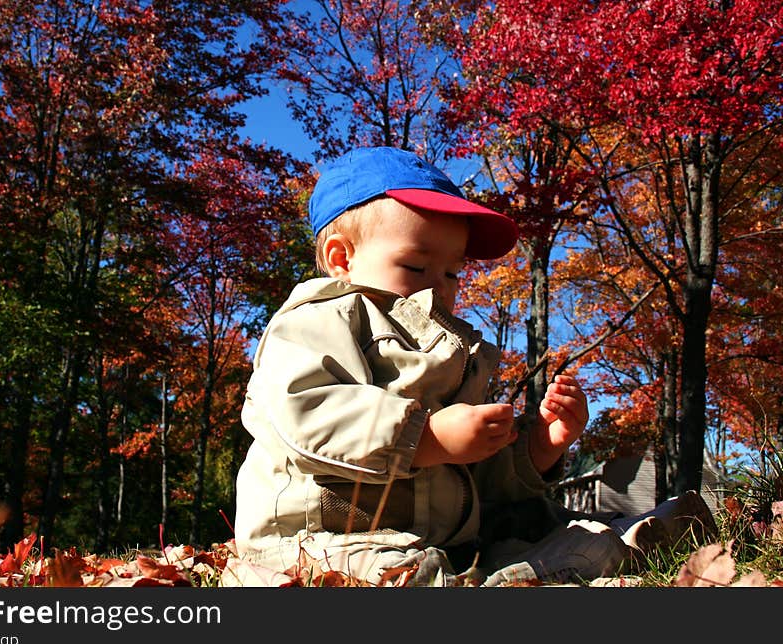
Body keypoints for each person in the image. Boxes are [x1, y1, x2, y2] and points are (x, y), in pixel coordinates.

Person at [231, 146, 717, 587]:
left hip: (440, 535)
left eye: (452, 272)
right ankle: (543, 570)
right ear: (343, 257)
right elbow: (307, 414)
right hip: (316, 537)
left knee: (537, 520)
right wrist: (426, 437)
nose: (440, 286)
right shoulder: (317, 321)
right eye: (417, 267)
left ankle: (618, 539)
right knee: (412, 572)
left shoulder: (451, 351)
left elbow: (470, 474)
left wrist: (535, 449)